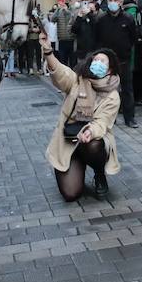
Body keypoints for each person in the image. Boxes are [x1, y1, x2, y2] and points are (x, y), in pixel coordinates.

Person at [42, 34, 122, 200]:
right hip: (69, 139)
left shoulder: (113, 96)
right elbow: (61, 73)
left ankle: (99, 173)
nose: (97, 63)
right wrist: (49, 53)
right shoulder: (78, 80)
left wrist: (89, 132)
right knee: (71, 194)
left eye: (103, 62)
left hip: (90, 140)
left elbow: (102, 122)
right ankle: (76, 164)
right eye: (95, 60)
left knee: (94, 145)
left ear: (110, 70)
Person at [94, 0, 141, 127]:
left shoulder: (128, 18)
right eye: (110, 0)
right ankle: (109, 117)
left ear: (121, 2)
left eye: (115, 0)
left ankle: (129, 118)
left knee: (127, 90)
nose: (113, 3)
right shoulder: (101, 19)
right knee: (107, 91)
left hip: (124, 60)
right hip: (107, 62)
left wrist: (126, 50)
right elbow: (96, 39)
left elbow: (133, 38)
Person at [51, 0, 78, 65]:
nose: (65, 2)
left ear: (70, 1)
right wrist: (57, 9)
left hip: (71, 40)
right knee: (63, 62)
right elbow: (52, 19)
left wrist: (67, 10)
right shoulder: (59, 10)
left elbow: (74, 18)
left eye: (66, 1)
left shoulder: (74, 9)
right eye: (63, 1)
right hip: (62, 40)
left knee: (73, 62)